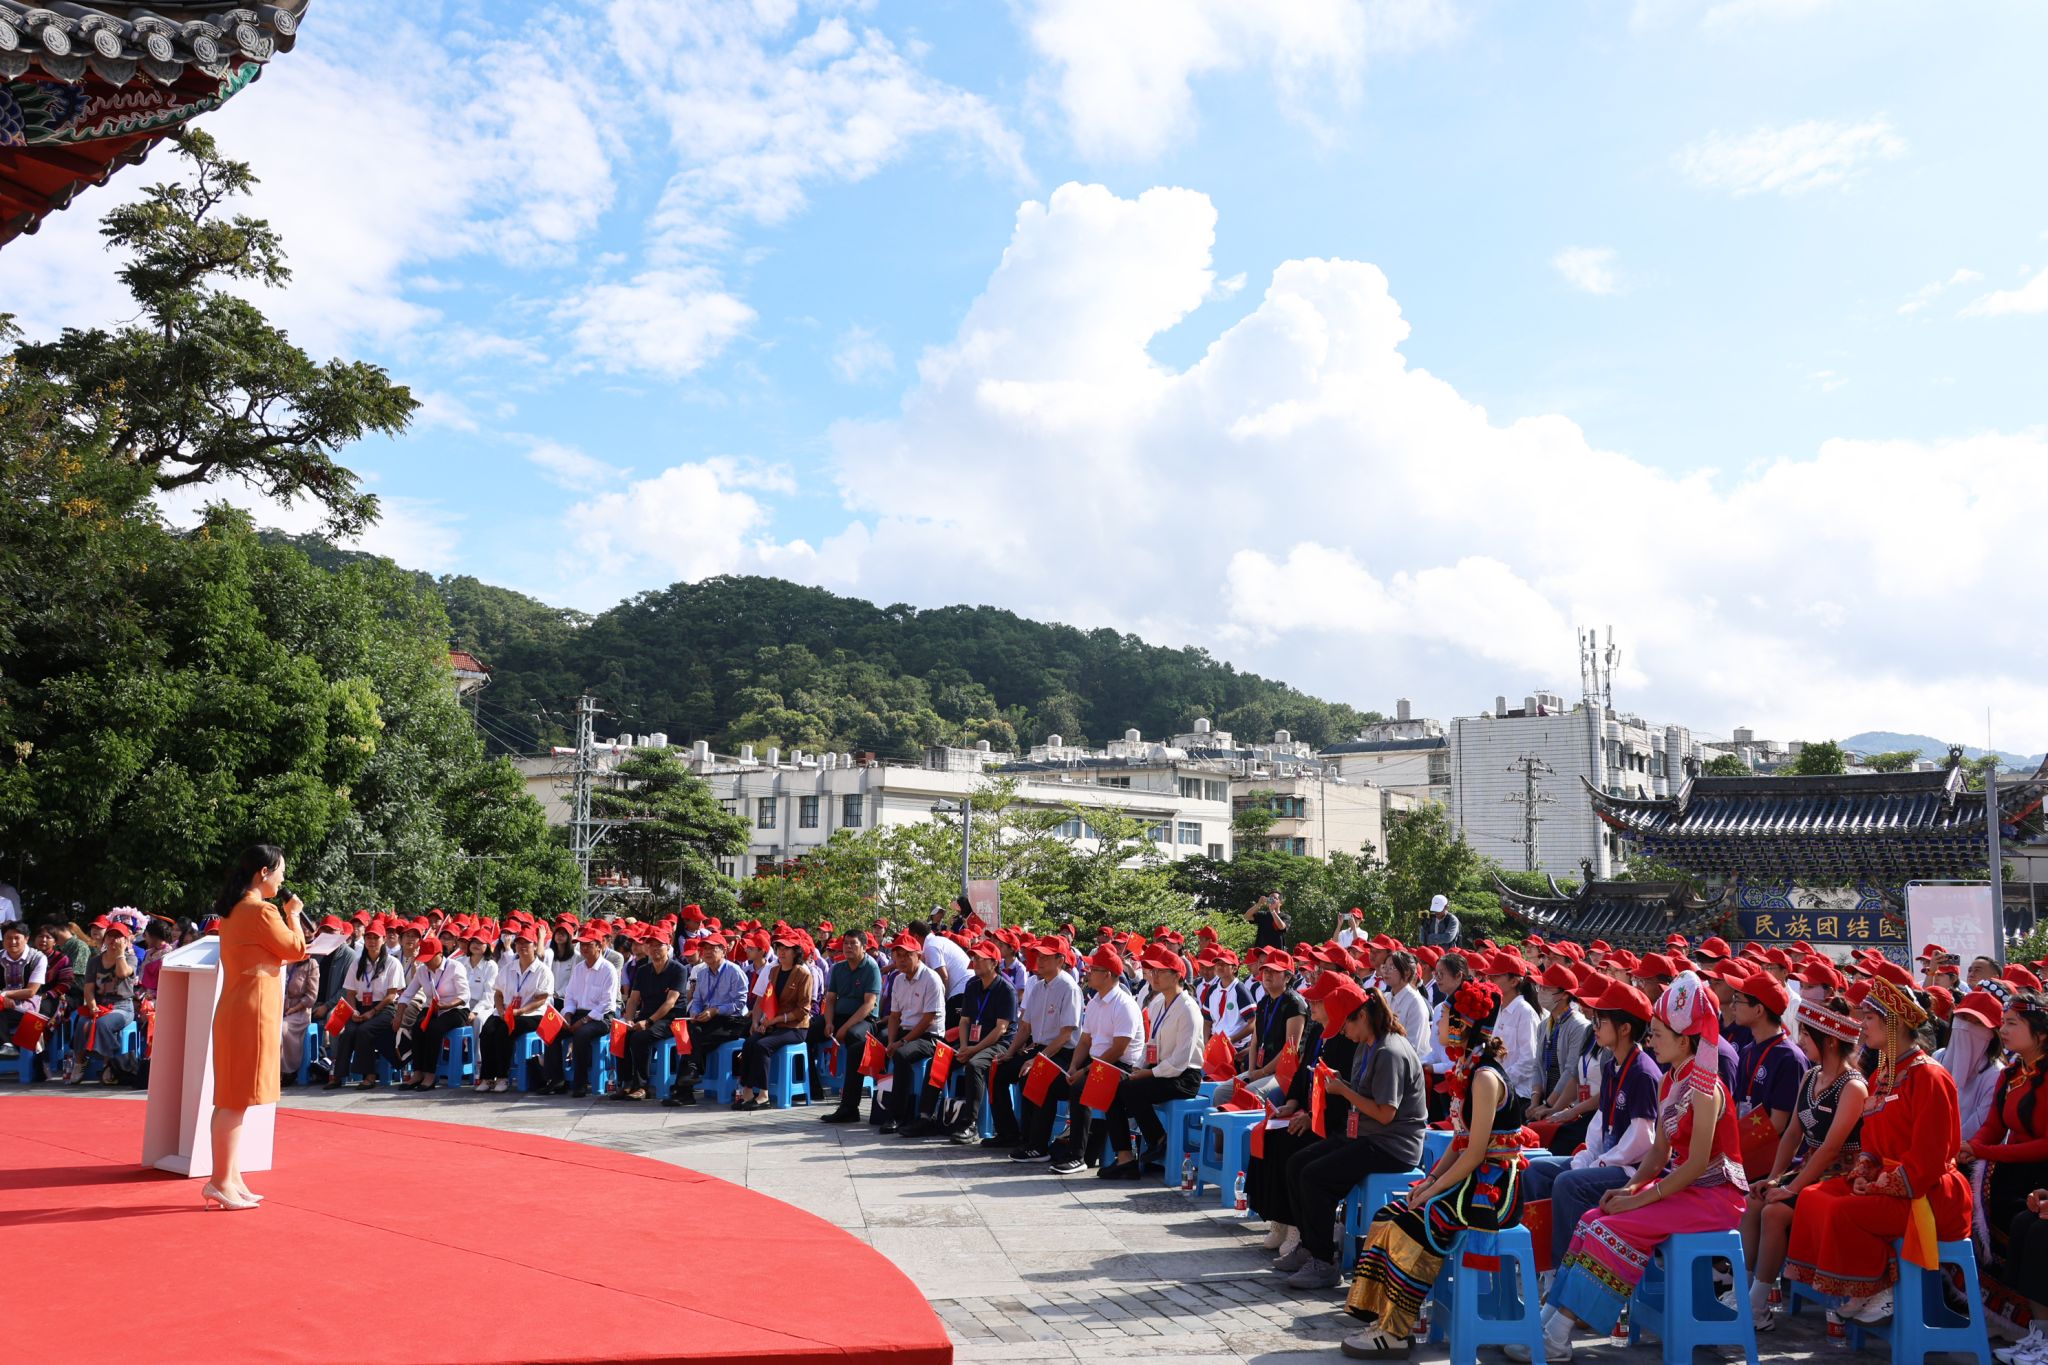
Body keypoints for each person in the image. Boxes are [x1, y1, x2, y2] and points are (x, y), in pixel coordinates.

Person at [1536, 972, 1748, 1363]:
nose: (1651, 1041)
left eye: (1659, 1035)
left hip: (1715, 1196)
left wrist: (1638, 1199)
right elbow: (1659, 1153)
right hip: (1687, 1188)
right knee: (1591, 1218)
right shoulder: (1671, 1081)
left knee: (1613, 1226)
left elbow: (1697, 1163)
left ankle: (1559, 1333)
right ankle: (1549, 1319)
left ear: (1684, 1040)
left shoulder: (1706, 1089)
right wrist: (1630, 1187)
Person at [1782, 961, 1971, 1326]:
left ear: (1894, 1024)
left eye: (1869, 1018)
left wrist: (1882, 1184)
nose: (1862, 1025)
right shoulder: (1885, 1074)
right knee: (1813, 1196)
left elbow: (1931, 1157)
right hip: (1890, 1182)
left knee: (1844, 1211)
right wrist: (1865, 1170)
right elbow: (1871, 1140)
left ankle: (1877, 1289)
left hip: (1926, 1194)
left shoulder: (1929, 1076)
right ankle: (1861, 1286)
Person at [1342, 979, 1520, 1359]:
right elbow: (1460, 1142)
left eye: (1443, 1018)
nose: (1438, 1024)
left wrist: (1432, 1189)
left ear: (1460, 1026)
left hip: (1490, 1188)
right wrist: (1431, 1180)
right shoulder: (1468, 1070)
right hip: (1469, 1177)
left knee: (1412, 1225)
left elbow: (1475, 1154)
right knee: (1388, 1214)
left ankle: (1395, 1331)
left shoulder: (1485, 1078)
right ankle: (1383, 1318)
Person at [1279, 980, 1428, 1291]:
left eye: (1344, 1025)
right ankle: (1311, 1246)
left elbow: (1385, 1114)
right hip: (1366, 1134)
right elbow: (1365, 1096)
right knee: (1295, 1164)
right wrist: (1341, 1083)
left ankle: (1324, 1263)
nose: (1343, 1033)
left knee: (1314, 1177)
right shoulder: (1367, 1045)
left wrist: (1344, 1090)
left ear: (1361, 1016)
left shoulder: (1389, 1051)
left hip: (1391, 1145)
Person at [1741, 996, 1867, 1332]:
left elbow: (1831, 1149)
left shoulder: (1853, 1086)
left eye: (1807, 1036)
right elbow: (1793, 1134)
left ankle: (1757, 1305)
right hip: (1810, 1169)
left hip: (1841, 1174)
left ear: (1829, 1042)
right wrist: (1774, 1178)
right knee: (1754, 1200)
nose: (1801, 1041)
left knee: (1774, 1212)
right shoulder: (1811, 1076)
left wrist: (1791, 1188)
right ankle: (1743, 1289)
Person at [204, 845, 309, 1211]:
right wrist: (293, 914)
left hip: (238, 1007)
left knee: (231, 1099)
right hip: (251, 1010)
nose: (282, 880)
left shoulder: (235, 910)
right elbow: (296, 948)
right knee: (236, 1101)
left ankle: (229, 1177)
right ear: (263, 872)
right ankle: (220, 1181)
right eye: (280, 872)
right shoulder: (262, 911)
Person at [1099, 942, 1204, 1179]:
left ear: (1177, 975)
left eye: (1160, 971)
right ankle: (1124, 1157)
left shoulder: (1188, 1009)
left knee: (1130, 1088)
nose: (1154, 976)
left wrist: (1146, 1073)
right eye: (1153, 971)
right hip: (1160, 1070)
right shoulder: (1157, 1003)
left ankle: (1158, 1138)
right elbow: (1152, 1044)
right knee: (1113, 1089)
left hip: (1184, 1076)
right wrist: (1139, 1066)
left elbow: (1180, 1060)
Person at [1961, 992, 2048, 1261]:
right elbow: (1994, 1126)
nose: (2003, 1030)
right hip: (2012, 1164)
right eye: (2003, 1022)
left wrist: (1982, 1151)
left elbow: (2045, 1146)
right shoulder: (2011, 1074)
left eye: (2012, 1023)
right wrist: (1971, 1147)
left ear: (2041, 1033)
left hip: (2040, 1171)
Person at [997, 935, 1083, 1158]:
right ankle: (1009, 1133)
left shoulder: (1069, 988)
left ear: (1060, 960)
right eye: (1039, 956)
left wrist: (1037, 1059)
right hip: (1040, 1047)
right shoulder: (1037, 987)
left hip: (1063, 1052)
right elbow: (1025, 1027)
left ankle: (1037, 1144)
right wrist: (1009, 1053)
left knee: (1036, 1074)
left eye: (1046, 957)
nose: (1039, 961)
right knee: (999, 1070)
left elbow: (1066, 1035)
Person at [921, 940, 1013, 1142]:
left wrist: (972, 1050)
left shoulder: (1005, 989)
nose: (975, 962)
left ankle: (970, 1124)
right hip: (972, 1041)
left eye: (981, 958)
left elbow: (1001, 1029)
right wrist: (963, 1046)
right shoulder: (972, 986)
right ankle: (925, 1117)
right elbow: (964, 1021)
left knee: (974, 1065)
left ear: (994, 963)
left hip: (998, 1043)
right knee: (940, 1059)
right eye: (974, 958)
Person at [1730, 969, 1809, 1180]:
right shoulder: (1747, 1050)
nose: (1732, 1006)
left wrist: (1735, 1149)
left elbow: (1778, 1124)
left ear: (1758, 1010)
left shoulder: (1790, 1058)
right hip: (1746, 1154)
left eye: (1738, 1001)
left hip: (1772, 1165)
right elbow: (1738, 1106)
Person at [666, 933, 749, 1107]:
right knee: (689, 1032)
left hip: (732, 1020)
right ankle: (690, 1076)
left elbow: (740, 1003)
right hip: (709, 1019)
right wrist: (695, 1013)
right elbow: (697, 1000)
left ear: (724, 951)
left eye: (713, 948)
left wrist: (716, 1010)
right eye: (705, 948)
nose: (708, 952)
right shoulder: (702, 973)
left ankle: (684, 1087)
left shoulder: (734, 971)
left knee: (694, 1040)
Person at [735, 932, 813, 1111]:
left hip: (795, 1027)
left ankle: (764, 1095)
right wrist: (759, 1021)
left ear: (796, 952)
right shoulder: (774, 971)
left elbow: (803, 1010)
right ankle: (747, 1091)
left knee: (762, 1046)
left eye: (787, 949)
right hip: (774, 1024)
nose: (782, 952)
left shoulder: (803, 974)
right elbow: (765, 1000)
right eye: (779, 948)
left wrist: (775, 1020)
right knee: (749, 1043)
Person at [546, 925, 620, 1098]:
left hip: (601, 1017)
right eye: (582, 944)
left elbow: (606, 1004)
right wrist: (567, 1015)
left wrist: (583, 1021)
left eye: (588, 944)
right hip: (579, 1013)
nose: (584, 948)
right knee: (551, 1030)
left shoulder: (608, 969)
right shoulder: (579, 968)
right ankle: (556, 1079)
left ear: (599, 946)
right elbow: (570, 996)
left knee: (581, 1034)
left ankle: (580, 1083)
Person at [880, 931, 943, 1134]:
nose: (901, 960)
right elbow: (894, 1016)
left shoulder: (931, 979)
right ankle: (873, 1107)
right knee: (872, 1044)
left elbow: (928, 1019)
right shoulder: (898, 980)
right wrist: (891, 1041)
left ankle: (898, 1115)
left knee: (901, 1054)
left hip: (929, 1036)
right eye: (897, 955)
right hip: (905, 1030)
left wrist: (901, 1042)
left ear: (919, 955)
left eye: (907, 955)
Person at [1526, 963, 1594, 1151]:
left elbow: (1571, 1071)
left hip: (1567, 1105)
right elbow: (1537, 1066)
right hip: (1546, 1102)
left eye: (1547, 989)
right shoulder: (1544, 1025)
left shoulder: (1579, 1026)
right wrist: (1535, 1102)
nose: (1541, 992)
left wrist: (1549, 1105)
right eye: (1540, 988)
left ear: (1564, 994)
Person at [819, 932, 884, 1125]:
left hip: (864, 1019)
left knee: (855, 1039)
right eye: (845, 943)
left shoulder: (871, 968)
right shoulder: (838, 968)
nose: (848, 947)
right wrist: (829, 1022)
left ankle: (849, 1106)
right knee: (811, 1031)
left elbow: (869, 1005)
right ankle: (813, 1088)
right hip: (839, 1016)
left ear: (863, 947)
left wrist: (845, 1028)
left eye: (853, 943)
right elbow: (831, 999)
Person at [479, 924, 553, 1092]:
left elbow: (542, 999)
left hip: (532, 1014)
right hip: (507, 1012)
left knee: (504, 1031)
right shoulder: (508, 968)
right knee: (487, 1031)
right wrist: (501, 1010)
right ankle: (487, 1077)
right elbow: (498, 993)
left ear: (535, 945)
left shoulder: (543, 971)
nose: (522, 946)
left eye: (527, 943)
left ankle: (502, 1077)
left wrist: (521, 1011)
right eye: (519, 943)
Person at [67, 919, 139, 1085]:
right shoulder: (95, 961)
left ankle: (109, 1064)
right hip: (99, 1004)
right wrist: (92, 1006)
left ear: (126, 940)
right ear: (105, 939)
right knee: (82, 1022)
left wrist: (120, 953)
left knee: (103, 1023)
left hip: (122, 1007)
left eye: (118, 936)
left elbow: (122, 974)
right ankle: (80, 1062)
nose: (114, 940)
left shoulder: (131, 959)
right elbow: (88, 989)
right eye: (110, 936)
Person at [616, 934, 686, 1102]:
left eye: (659, 945)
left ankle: (642, 1086)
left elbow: (670, 1002)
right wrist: (629, 1019)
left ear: (668, 946)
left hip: (671, 1019)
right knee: (621, 1034)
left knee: (640, 1037)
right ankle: (626, 1082)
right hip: (647, 1015)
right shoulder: (643, 971)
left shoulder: (678, 970)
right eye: (651, 945)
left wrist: (648, 1022)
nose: (654, 949)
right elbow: (633, 999)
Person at [397, 935, 470, 1091]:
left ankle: (430, 1074)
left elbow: (464, 995)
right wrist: (398, 1016)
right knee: (418, 1028)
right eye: (424, 959)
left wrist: (447, 1005)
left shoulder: (455, 967)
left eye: (429, 959)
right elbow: (407, 994)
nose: (427, 963)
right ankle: (417, 1072)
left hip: (456, 1009)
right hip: (432, 1008)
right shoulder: (422, 971)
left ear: (439, 954)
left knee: (434, 1029)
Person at [1939, 990, 2007, 1141]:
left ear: (1993, 1034)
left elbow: (1977, 1127)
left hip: (1968, 1150)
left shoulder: (1995, 1075)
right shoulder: (1937, 1057)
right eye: (1963, 1018)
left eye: (1978, 1023)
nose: (1966, 1026)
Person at [0, 921, 50, 1068]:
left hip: (27, 1008)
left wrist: (4, 995)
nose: (12, 942)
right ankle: (7, 1044)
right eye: (8, 938)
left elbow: (31, 991)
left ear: (27, 938)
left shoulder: (38, 958)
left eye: (17, 938)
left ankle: (7, 1044)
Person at [280, 951, 320, 1086]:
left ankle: (286, 1070)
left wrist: (293, 1009)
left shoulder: (311, 964)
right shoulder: (283, 961)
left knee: (283, 1028)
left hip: (300, 1011)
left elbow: (311, 997)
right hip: (279, 1007)